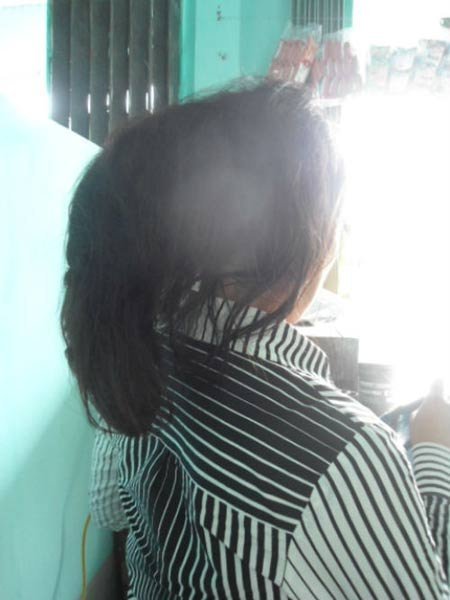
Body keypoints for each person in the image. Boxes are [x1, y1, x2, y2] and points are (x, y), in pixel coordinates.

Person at [61, 82, 450, 599]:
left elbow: (109, 507)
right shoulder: (345, 457)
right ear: (299, 238)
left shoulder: (143, 363)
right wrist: (434, 454)